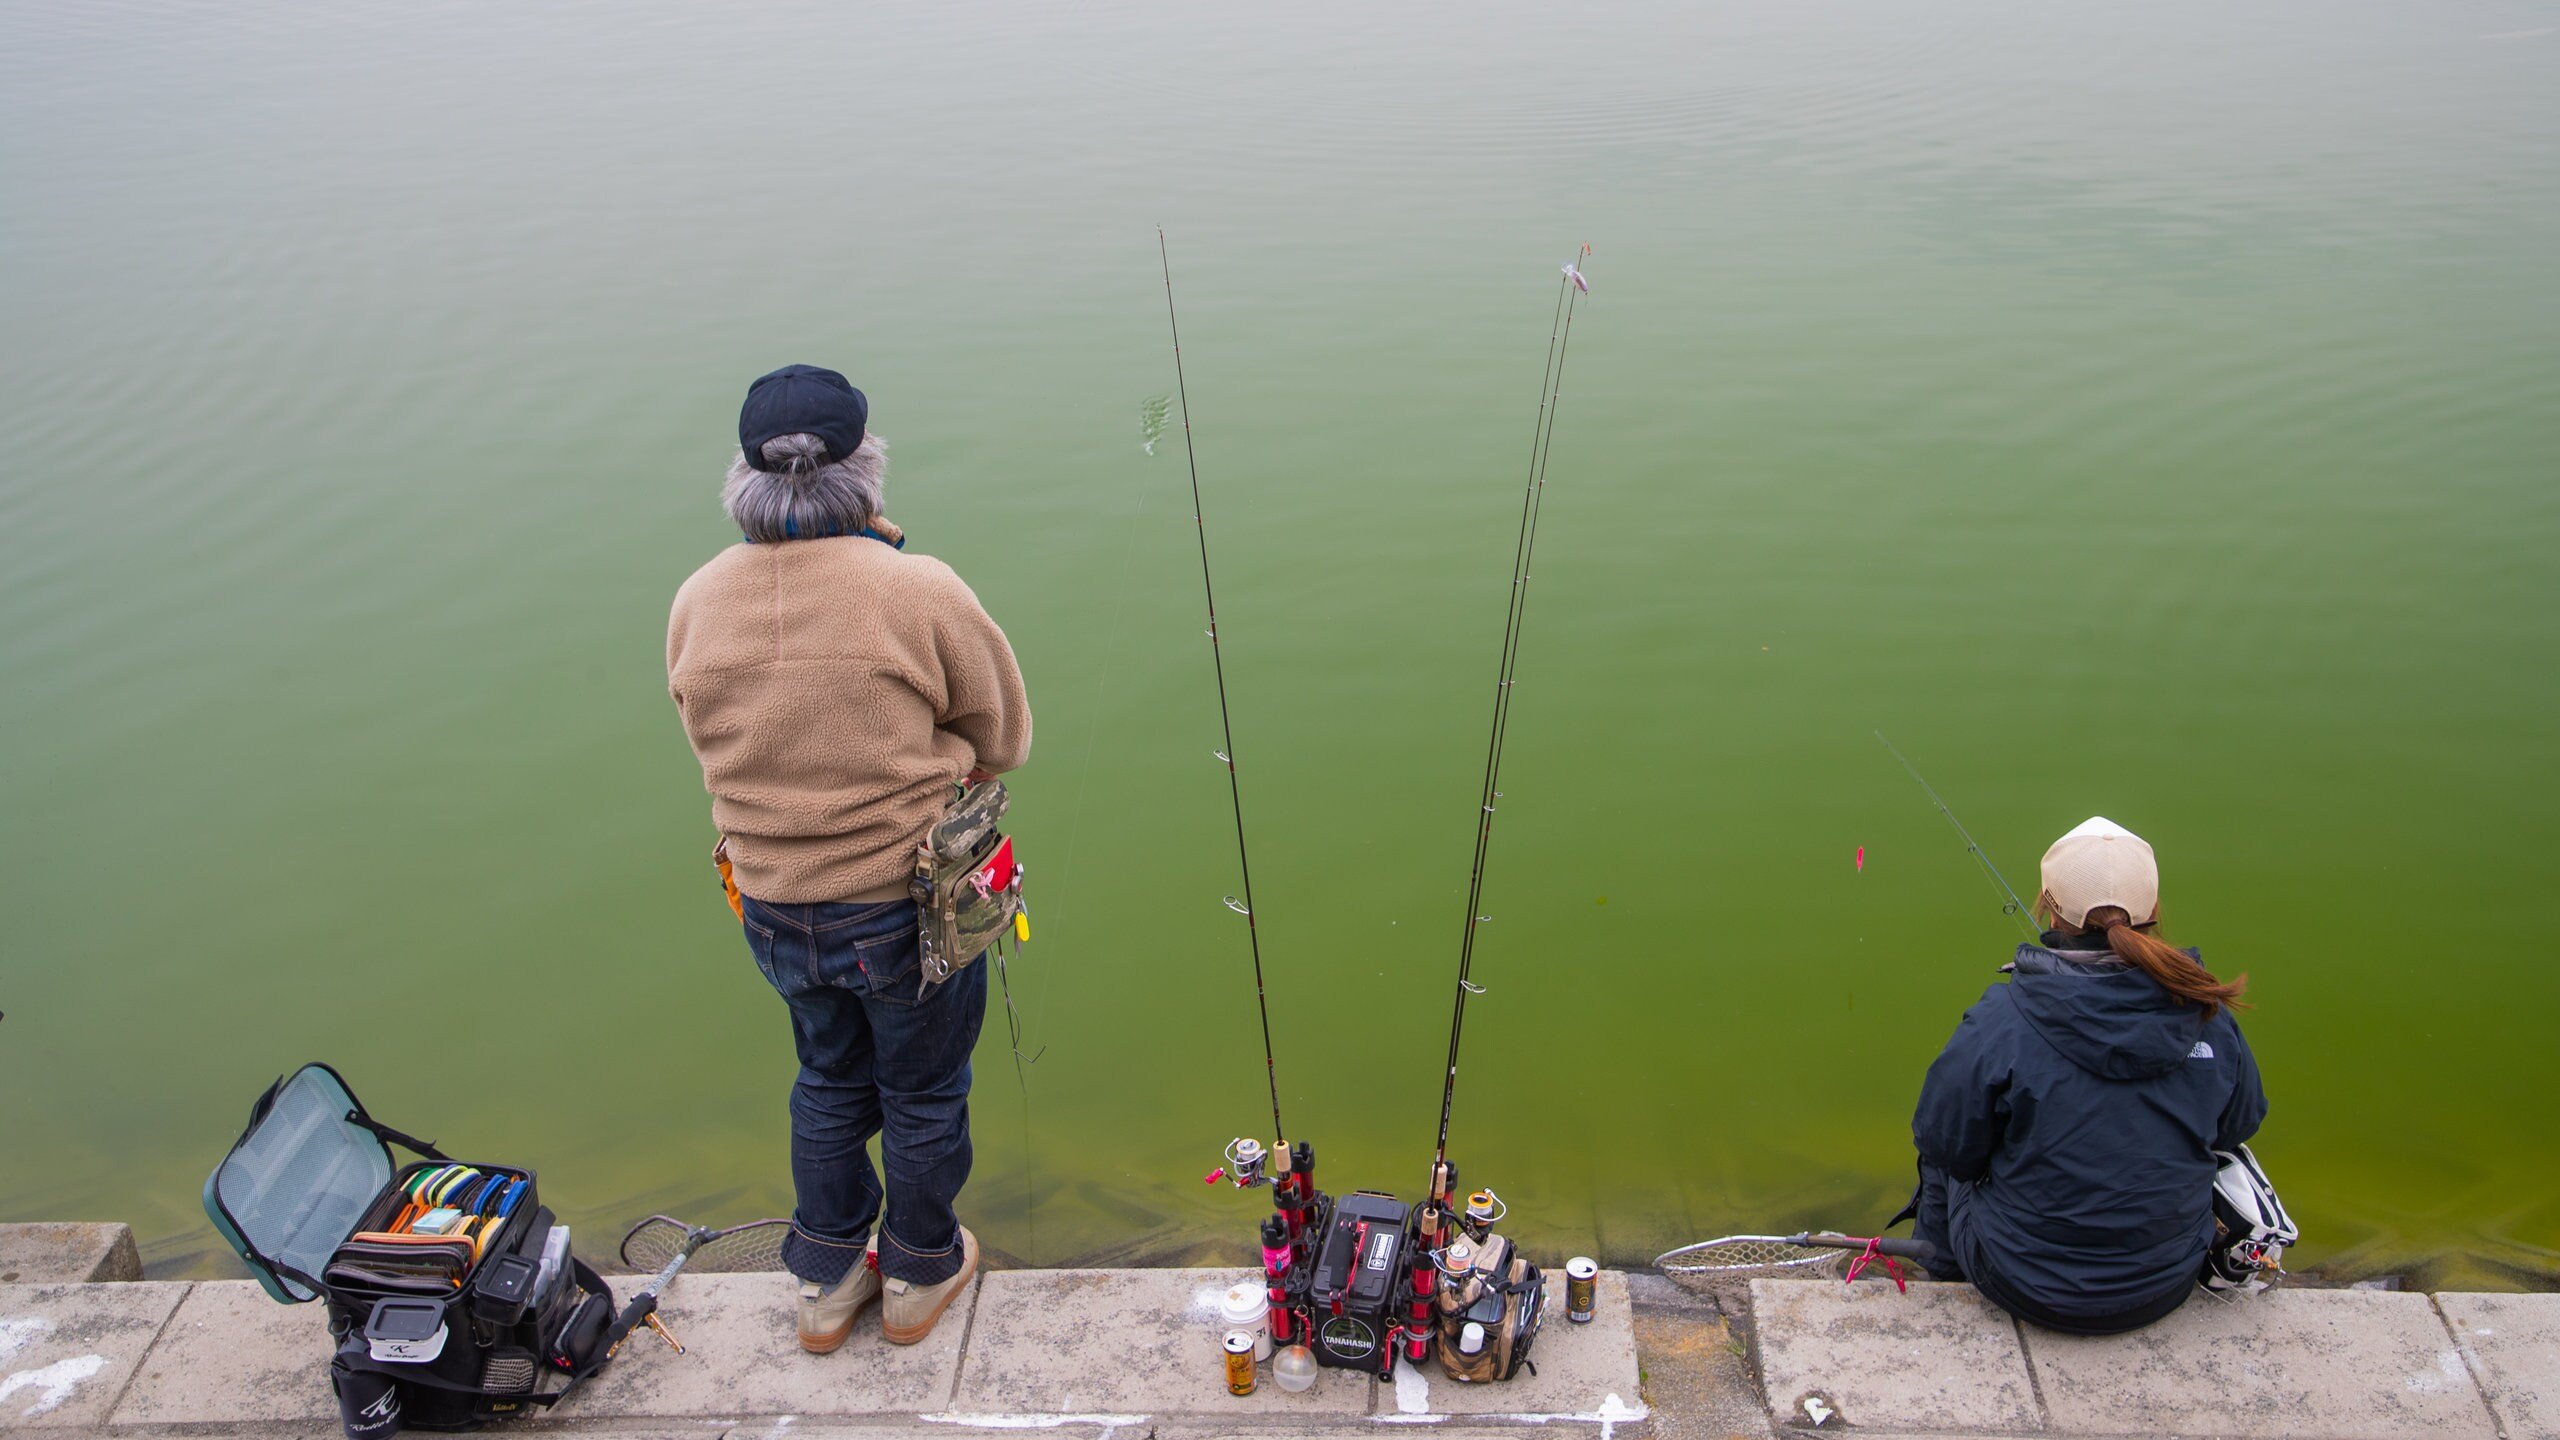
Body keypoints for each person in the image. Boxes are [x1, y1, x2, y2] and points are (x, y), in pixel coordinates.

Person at [667, 364, 1031, 1353]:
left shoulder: (698, 600)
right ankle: (916, 1275)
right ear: (865, 468)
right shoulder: (914, 589)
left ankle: (825, 1285)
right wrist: (944, 753)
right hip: (900, 907)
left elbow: (713, 737)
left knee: (828, 1081)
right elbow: (1002, 737)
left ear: (743, 483)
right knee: (921, 1092)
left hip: (773, 903)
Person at [1906, 817, 2265, 1334]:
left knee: (1944, 1152)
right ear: (2154, 909)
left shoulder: (2001, 1018)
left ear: (2048, 906)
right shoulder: (2210, 1014)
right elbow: (2236, 1129)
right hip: (2164, 1285)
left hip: (2021, 1284)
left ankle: (1942, 1272)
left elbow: (1944, 1142)